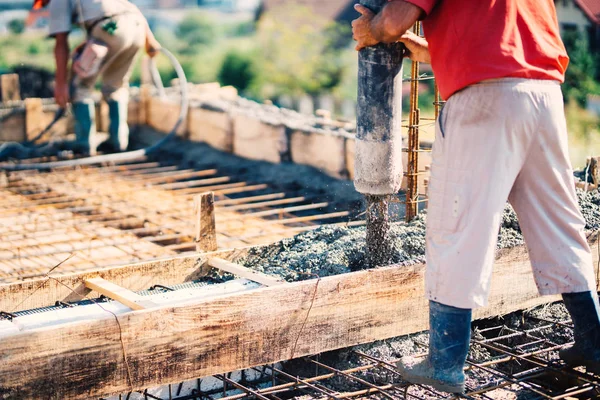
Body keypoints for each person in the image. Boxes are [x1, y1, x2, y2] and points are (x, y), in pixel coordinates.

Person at [352, 0, 600, 394]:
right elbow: (500, 43)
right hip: (544, 97)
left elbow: (394, 20)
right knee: (558, 223)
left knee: (458, 226)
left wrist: (372, 31)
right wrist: (428, 50)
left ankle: (444, 363)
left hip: (485, 102)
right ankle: (594, 342)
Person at [34, 0, 161, 154]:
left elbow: (61, 42)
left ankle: (84, 144)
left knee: (79, 86)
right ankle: (118, 141)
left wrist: (61, 84)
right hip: (136, 27)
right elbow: (130, 8)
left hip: (111, 28)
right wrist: (150, 39)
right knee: (116, 86)